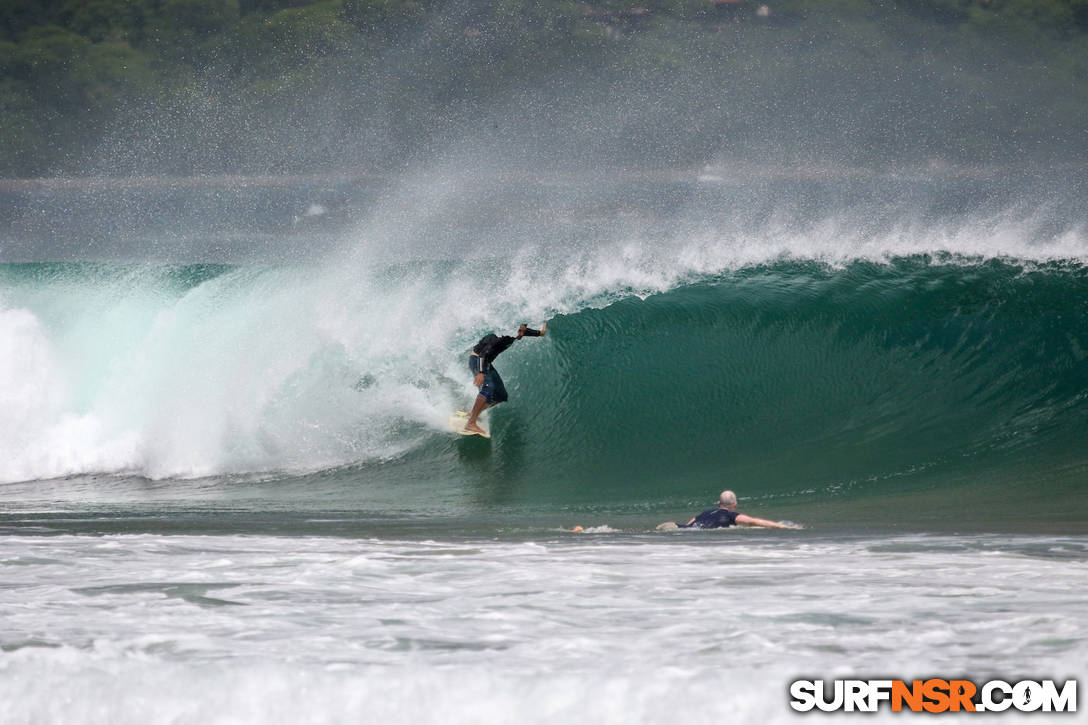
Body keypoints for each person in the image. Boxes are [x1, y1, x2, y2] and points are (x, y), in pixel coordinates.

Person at [464, 322, 545, 435]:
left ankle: (472, 414)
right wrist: (481, 373)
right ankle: (471, 423)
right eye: (520, 331)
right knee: (489, 387)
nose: (521, 335)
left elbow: (532, 332)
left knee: (501, 395)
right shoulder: (499, 336)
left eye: (523, 331)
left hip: (486, 363)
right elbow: (483, 354)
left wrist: (541, 331)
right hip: (478, 360)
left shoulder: (516, 331)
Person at [658, 490, 801, 530]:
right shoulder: (732, 516)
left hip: (677, 526)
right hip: (699, 530)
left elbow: (691, 523)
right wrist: (783, 526)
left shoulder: (706, 512)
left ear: (718, 503)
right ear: (735, 504)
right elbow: (755, 522)